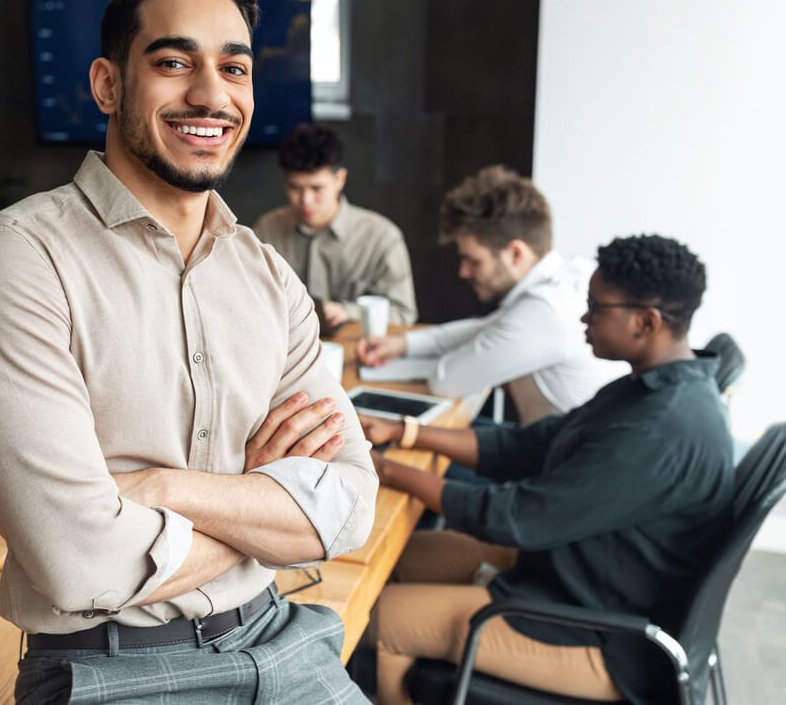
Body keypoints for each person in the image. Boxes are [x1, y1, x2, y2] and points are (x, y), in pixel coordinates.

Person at [0, 0, 377, 703]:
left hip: (283, 637)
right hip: (116, 672)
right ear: (107, 85)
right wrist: (257, 497)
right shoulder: (13, 262)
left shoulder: (269, 276)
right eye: (174, 62)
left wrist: (160, 489)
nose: (212, 95)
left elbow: (347, 510)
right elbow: (81, 562)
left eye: (233, 67)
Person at [360, 234, 732, 704]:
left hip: (602, 634)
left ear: (645, 321)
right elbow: (532, 443)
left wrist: (390, 473)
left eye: (596, 308)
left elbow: (517, 517)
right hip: (575, 574)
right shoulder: (654, 388)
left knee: (378, 620)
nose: (583, 317)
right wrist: (405, 432)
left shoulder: (656, 431)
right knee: (396, 556)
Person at [358, 164, 620, 426]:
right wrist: (403, 345)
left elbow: (447, 380)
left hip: (554, 462)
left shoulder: (545, 312)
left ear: (516, 253)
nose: (464, 272)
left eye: (474, 261)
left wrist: (418, 361)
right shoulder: (569, 275)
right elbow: (489, 327)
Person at [254, 123, 417, 330]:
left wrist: (346, 311)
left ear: (340, 179)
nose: (306, 201)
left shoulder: (381, 237)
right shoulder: (267, 230)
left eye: (317, 188)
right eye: (295, 188)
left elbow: (403, 313)